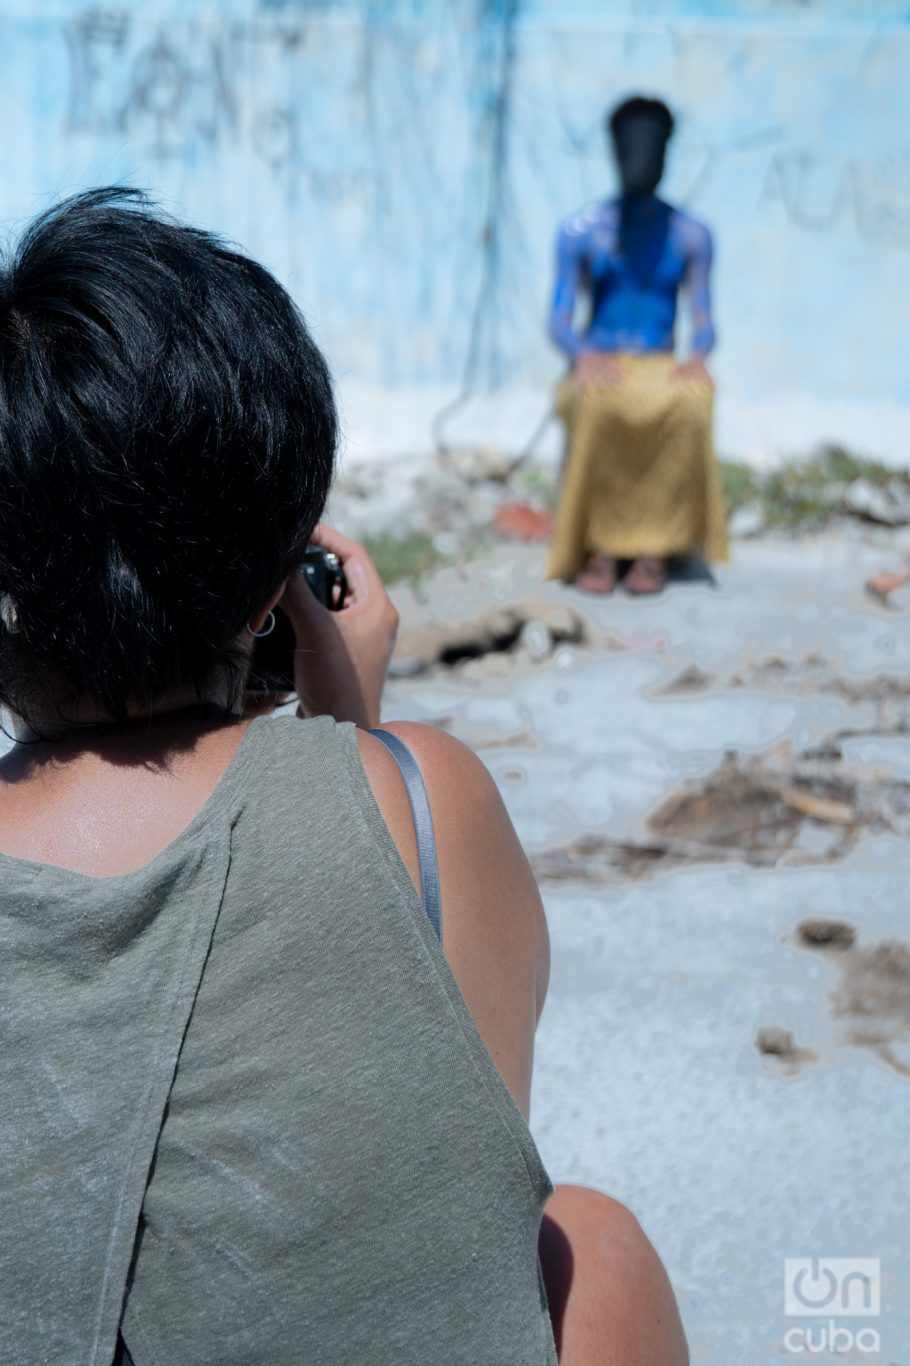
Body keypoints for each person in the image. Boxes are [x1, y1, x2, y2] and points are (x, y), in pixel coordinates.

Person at [0, 189, 688, 1365]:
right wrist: (360, 743)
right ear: (277, 583)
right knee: (594, 1244)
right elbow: (446, 1191)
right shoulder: (428, 797)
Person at [547, 95, 729, 595]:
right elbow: (559, 319)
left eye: (652, 147)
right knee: (598, 403)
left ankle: (656, 547)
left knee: (694, 402)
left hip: (661, 362)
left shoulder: (692, 235)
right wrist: (582, 354)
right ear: (614, 150)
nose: (641, 158)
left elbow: (705, 318)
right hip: (600, 358)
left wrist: (697, 356)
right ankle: (602, 547)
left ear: (667, 152)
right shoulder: (580, 232)